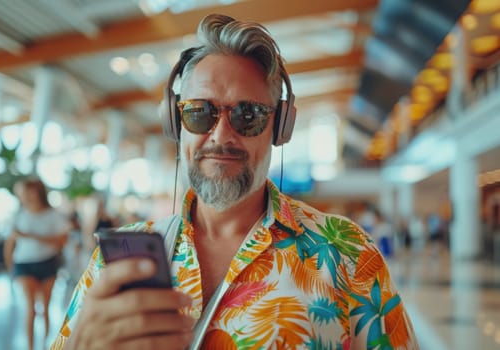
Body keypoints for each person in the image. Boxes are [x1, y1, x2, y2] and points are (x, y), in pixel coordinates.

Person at [51, 14, 418, 349]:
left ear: (280, 126)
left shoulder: (347, 254)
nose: (221, 135)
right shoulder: (117, 263)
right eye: (200, 113)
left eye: (248, 114)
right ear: (177, 124)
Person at [3, 178, 69, 350]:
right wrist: (11, 268)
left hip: (48, 263)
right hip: (24, 264)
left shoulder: (53, 215)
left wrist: (31, 236)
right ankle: (30, 347)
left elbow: (62, 241)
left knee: (45, 308)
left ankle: (44, 344)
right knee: (30, 308)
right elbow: (9, 245)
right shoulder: (18, 216)